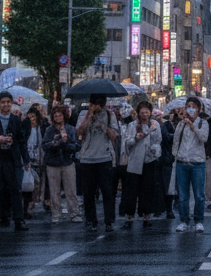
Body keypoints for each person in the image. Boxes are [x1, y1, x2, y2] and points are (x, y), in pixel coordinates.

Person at [0, 92, 28, 233]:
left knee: (15, 191)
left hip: (12, 159)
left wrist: (25, 159)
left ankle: (19, 220)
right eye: (3, 102)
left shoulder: (16, 120)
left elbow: (22, 141)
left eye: (8, 102)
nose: (6, 104)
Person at [76, 94, 121, 232]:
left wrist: (104, 127)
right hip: (87, 158)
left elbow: (114, 136)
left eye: (100, 104)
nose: (97, 106)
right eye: (94, 103)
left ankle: (109, 221)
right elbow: (79, 132)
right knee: (88, 193)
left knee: (107, 191)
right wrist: (89, 116)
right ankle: (91, 220)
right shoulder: (83, 113)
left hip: (104, 157)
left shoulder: (109, 115)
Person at [120, 101, 164, 228]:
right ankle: (129, 216)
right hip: (135, 160)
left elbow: (158, 140)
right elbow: (127, 142)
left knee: (148, 189)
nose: (145, 114)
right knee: (132, 189)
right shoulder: (133, 125)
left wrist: (155, 149)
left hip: (149, 160)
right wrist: (136, 139)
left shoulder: (154, 124)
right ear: (138, 112)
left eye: (147, 112)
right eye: (142, 112)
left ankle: (146, 215)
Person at [172, 98, 209, 233]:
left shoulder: (203, 123)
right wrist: (175, 155)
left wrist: (193, 126)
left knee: (199, 194)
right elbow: (176, 139)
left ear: (198, 109)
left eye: (193, 106)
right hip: (182, 162)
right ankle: (184, 220)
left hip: (198, 162)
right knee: (183, 195)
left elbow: (204, 138)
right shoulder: (181, 123)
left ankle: (199, 220)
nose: (190, 109)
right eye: (188, 106)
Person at [42, 106, 81, 224]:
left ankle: (75, 213)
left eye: (60, 115)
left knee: (71, 190)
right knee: (54, 191)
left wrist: (65, 143)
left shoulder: (70, 129)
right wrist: (56, 143)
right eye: (55, 116)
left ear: (64, 116)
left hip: (67, 162)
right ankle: (56, 214)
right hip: (52, 163)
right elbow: (45, 145)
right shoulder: (49, 130)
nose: (58, 118)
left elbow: (76, 146)